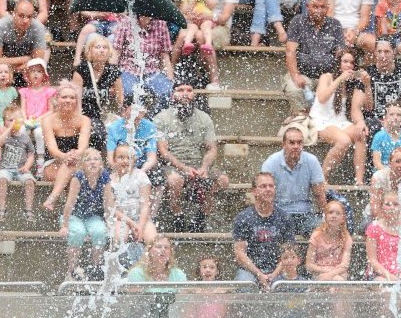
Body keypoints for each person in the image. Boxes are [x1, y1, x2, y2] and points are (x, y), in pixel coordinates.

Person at [156, 80, 229, 230]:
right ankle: (178, 215)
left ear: (194, 94)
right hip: (172, 166)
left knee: (223, 180)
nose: (185, 94)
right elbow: (163, 152)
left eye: (189, 90)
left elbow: (212, 149)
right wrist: (184, 168)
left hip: (197, 164)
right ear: (173, 94)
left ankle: (201, 216)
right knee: (175, 180)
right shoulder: (162, 118)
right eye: (180, 90)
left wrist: (204, 167)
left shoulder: (204, 118)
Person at [310, 50, 370, 185]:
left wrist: (366, 84)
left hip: (339, 120)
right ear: (338, 63)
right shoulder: (327, 77)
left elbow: (366, 106)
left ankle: (359, 180)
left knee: (360, 134)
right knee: (344, 141)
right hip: (321, 120)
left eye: (352, 63)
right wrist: (339, 79)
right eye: (345, 61)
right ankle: (322, 178)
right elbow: (322, 98)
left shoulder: (352, 82)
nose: (348, 65)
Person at [260, 125, 328, 236]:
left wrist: (325, 218)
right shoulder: (271, 162)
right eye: (291, 143)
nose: (296, 146)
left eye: (299, 143)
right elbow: (264, 195)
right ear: (283, 145)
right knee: (267, 232)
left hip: (305, 215)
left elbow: (319, 194)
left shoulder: (311, 161)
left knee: (326, 230)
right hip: (278, 213)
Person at [283, 0, 345, 112]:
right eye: (315, 6)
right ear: (307, 6)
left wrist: (344, 51)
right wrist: (296, 75)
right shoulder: (298, 22)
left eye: (322, 7)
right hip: (303, 74)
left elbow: (341, 53)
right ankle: (301, 118)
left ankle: (323, 120)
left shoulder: (335, 24)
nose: (319, 10)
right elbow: (290, 51)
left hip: (327, 76)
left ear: (327, 7)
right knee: (293, 89)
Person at [231, 173, 293, 289]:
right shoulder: (243, 218)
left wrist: (273, 275)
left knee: (284, 286)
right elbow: (240, 253)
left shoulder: (284, 218)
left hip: (278, 269)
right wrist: (259, 274)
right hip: (250, 270)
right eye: (263, 186)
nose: (268, 189)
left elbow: (288, 253)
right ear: (254, 191)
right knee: (245, 285)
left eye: (271, 186)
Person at [58, 149, 111, 281]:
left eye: (96, 159)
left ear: (101, 163)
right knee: (78, 233)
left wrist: (110, 222)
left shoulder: (104, 176)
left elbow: (108, 202)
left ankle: (96, 268)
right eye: (88, 159)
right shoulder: (78, 177)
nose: (92, 162)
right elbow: (69, 203)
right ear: (82, 164)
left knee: (100, 231)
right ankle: (71, 271)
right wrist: (64, 225)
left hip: (93, 216)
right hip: (74, 216)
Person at [39, 82, 92, 210]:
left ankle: (53, 199)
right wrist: (65, 157)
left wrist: (74, 156)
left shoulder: (85, 120)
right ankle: (70, 211)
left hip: (77, 162)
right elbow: (52, 149)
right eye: (64, 97)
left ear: (76, 101)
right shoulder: (48, 120)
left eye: (72, 98)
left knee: (72, 166)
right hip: (53, 163)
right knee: (71, 168)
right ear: (57, 99)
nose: (68, 100)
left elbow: (83, 147)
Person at [72, 33, 123, 151]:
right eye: (97, 47)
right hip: (84, 113)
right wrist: (80, 119)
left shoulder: (113, 71)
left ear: (109, 52)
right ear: (89, 50)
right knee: (97, 133)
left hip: (102, 114)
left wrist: (121, 117)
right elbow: (76, 99)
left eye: (105, 48)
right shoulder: (81, 69)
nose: (101, 51)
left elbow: (120, 99)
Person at [111, 15, 175, 106]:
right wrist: (111, 78)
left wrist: (170, 80)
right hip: (128, 69)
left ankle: (152, 119)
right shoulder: (126, 22)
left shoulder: (161, 24)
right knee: (128, 93)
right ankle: (130, 118)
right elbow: (116, 52)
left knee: (166, 92)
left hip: (152, 70)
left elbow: (165, 56)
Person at [107, 143, 156, 248]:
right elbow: (111, 208)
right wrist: (131, 223)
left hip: (141, 218)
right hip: (121, 219)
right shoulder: (110, 180)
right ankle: (118, 263)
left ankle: (146, 263)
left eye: (129, 158)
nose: (125, 161)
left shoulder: (141, 176)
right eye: (121, 157)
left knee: (152, 240)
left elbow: (145, 206)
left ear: (134, 160)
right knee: (119, 238)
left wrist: (140, 227)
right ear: (114, 159)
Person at [0, 0, 48, 83]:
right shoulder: (0, 25)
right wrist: (24, 59)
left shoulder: (38, 28)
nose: (25, 20)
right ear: (13, 14)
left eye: (29, 16)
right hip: (3, 70)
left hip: (26, 70)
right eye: (21, 16)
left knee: (37, 72)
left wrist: (15, 69)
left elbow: (37, 62)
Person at [0, 105, 36, 222]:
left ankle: (28, 210)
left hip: (21, 169)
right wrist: (8, 129)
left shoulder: (25, 138)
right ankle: (1, 209)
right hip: (5, 169)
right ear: (5, 122)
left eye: (16, 120)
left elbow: (31, 154)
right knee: (1, 180)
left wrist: (27, 166)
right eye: (10, 120)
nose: (13, 123)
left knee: (30, 182)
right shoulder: (4, 136)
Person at [365, 191, 401, 281]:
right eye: (387, 204)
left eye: (396, 204)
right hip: (379, 275)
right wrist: (389, 276)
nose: (392, 207)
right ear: (381, 207)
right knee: (384, 285)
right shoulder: (374, 228)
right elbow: (372, 260)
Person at [307, 200, 353, 280]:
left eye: (337, 213)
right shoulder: (316, 235)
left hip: (339, 273)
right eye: (330, 212)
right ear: (325, 216)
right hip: (319, 273)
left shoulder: (346, 238)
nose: (334, 216)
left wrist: (331, 274)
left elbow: (345, 265)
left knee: (337, 280)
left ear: (343, 218)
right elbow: (309, 264)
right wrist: (325, 270)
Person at [370, 102, 401, 172]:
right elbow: (376, 162)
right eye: (391, 114)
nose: (395, 117)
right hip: (383, 171)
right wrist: (388, 173)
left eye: (399, 115)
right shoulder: (379, 136)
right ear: (385, 117)